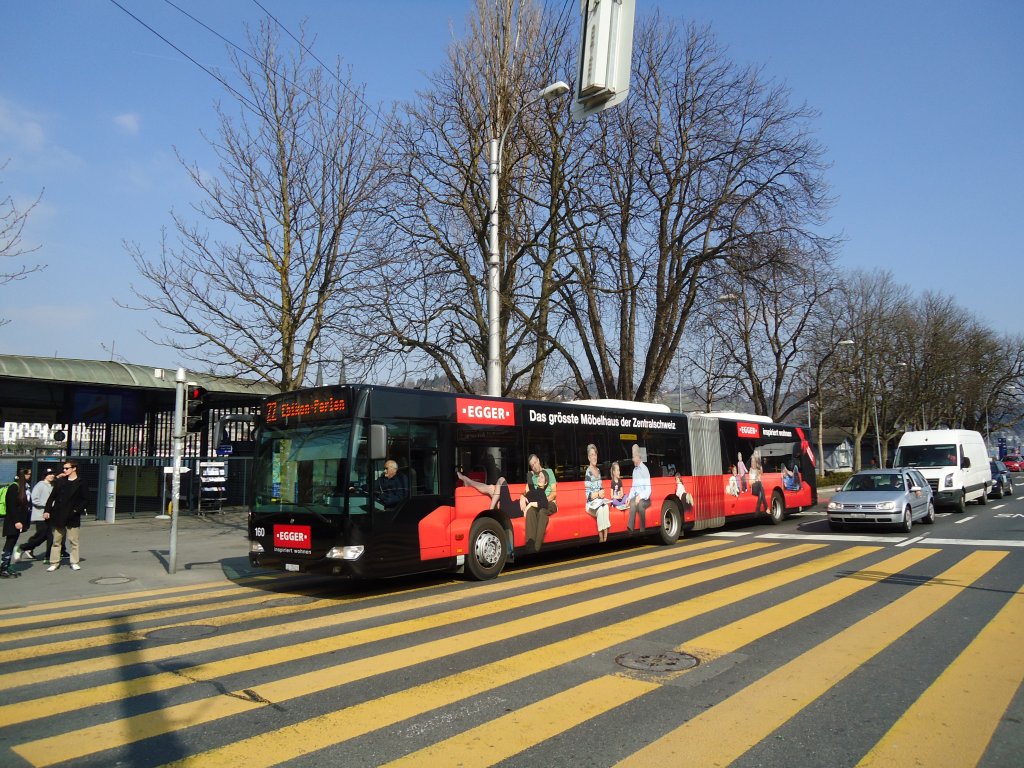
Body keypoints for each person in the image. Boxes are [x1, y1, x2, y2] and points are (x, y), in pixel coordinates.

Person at [43, 460, 87, 572]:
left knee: (74, 540)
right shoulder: (60, 481)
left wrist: (76, 510)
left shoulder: (81, 482)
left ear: (74, 468)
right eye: (64, 468)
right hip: (59, 514)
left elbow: (85, 499)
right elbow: (52, 497)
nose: (64, 470)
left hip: (73, 515)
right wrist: (47, 510)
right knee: (56, 540)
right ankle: (54, 562)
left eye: (67, 468)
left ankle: (74, 562)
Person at [15, 467, 56, 562]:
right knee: (42, 535)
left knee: (50, 536)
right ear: (45, 476)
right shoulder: (40, 485)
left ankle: (48, 556)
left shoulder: (53, 485)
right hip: (40, 515)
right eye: (49, 474)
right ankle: (24, 547)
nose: (51, 476)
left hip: (51, 515)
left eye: (53, 474)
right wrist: (48, 505)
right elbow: (34, 499)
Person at [1, 468, 31, 579]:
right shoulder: (14, 487)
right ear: (23, 475)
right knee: (9, 544)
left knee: (12, 543)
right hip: (13, 522)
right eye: (28, 474)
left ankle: (6, 565)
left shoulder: (24, 487)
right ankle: (3, 567)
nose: (29, 476)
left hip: (18, 522)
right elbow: (11, 506)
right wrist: (17, 521)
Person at [525, 454, 557, 552]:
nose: (534, 466)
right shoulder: (532, 477)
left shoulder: (549, 472)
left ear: (538, 460)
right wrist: (522, 497)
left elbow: (554, 493)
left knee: (542, 512)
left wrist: (542, 501)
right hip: (537, 503)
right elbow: (526, 492)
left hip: (550, 503)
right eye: (532, 465)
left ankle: (536, 548)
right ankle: (530, 543)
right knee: (530, 511)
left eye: (535, 463)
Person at [583, 444, 611, 542]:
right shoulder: (588, 473)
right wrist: (598, 494)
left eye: (595, 454)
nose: (594, 457)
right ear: (588, 458)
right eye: (592, 455)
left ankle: (605, 538)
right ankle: (601, 538)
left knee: (605, 507)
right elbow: (588, 496)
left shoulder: (598, 471)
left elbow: (600, 488)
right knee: (601, 510)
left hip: (598, 501)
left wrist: (602, 493)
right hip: (590, 504)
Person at [625, 444, 651, 534]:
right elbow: (633, 487)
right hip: (636, 497)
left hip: (645, 498)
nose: (632, 460)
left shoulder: (645, 470)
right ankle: (630, 528)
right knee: (632, 503)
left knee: (640, 505)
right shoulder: (634, 471)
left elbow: (648, 490)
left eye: (633, 457)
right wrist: (629, 497)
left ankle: (643, 529)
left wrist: (640, 496)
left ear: (638, 457)